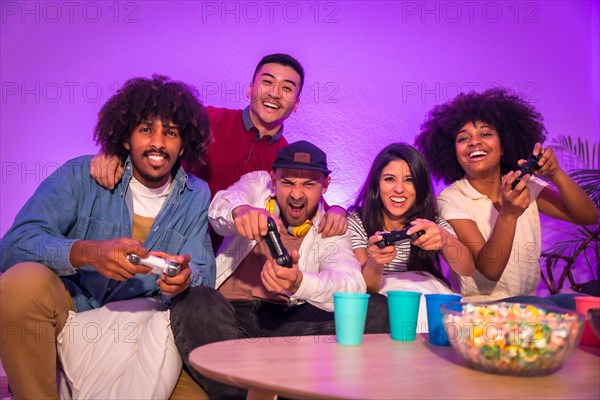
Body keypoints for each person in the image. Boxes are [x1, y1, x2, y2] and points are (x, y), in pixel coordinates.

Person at [0, 75, 216, 399]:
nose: (158, 143)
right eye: (146, 130)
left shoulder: (196, 194)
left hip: (146, 334)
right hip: (73, 311)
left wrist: (184, 278)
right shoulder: (81, 175)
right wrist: (88, 252)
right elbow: (13, 246)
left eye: (170, 133)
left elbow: (202, 271)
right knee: (21, 283)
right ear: (126, 139)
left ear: (183, 144)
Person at [169, 140, 390, 399]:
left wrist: (299, 283)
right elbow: (220, 206)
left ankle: (276, 383)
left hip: (287, 326)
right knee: (194, 298)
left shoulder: (329, 226)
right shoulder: (257, 185)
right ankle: (249, 394)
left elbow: (351, 286)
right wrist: (241, 212)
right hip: (229, 318)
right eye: (288, 182)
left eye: (308, 184)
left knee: (374, 308)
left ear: (325, 186)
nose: (297, 194)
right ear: (274, 180)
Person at [90, 54, 348, 251]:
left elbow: (309, 203)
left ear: (297, 103)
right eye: (267, 82)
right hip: (168, 241)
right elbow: (153, 138)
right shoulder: (207, 119)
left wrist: (337, 210)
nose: (275, 93)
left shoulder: (288, 159)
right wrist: (113, 153)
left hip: (230, 270)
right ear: (250, 89)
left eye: (287, 88)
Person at [415, 87, 597, 306]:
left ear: (503, 147)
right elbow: (490, 269)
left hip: (527, 303)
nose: (474, 142)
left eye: (485, 133)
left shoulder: (524, 185)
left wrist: (555, 173)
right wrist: (508, 215)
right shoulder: (451, 199)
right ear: (453, 152)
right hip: (480, 307)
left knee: (584, 303)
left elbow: (588, 216)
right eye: (464, 138)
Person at [347, 143, 474, 330]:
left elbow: (467, 268)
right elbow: (367, 288)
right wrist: (375, 262)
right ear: (377, 184)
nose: (399, 189)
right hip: (382, 309)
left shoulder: (432, 223)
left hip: (428, 299)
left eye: (409, 180)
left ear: (420, 186)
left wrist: (446, 240)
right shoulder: (358, 222)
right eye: (390, 179)